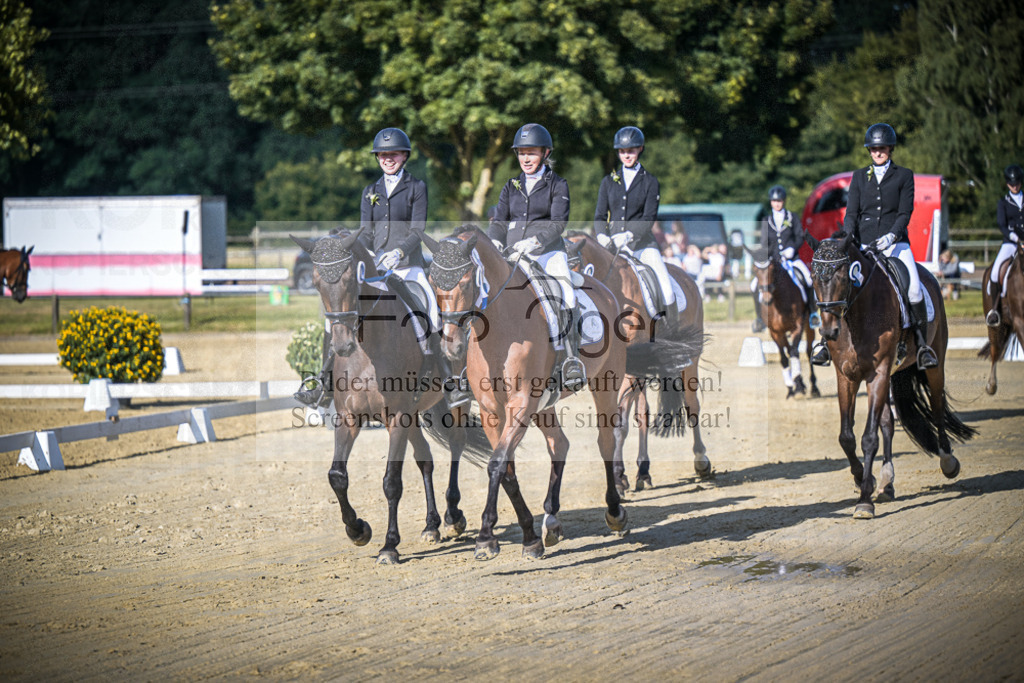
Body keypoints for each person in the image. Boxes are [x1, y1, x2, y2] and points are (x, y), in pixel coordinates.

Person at [295, 127, 471, 408]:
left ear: (404, 156)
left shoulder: (416, 187)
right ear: (377, 158)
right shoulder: (370, 191)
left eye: (394, 154)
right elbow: (366, 232)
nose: (388, 159)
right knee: (338, 315)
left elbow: (417, 229)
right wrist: (367, 253)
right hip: (377, 268)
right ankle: (323, 383)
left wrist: (399, 252)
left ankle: (450, 383)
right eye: (382, 155)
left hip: (408, 267)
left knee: (432, 313)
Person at [811, 123, 937, 369]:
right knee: (838, 285)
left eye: (882, 148)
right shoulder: (859, 176)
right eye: (874, 148)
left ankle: (922, 346)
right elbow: (851, 213)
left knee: (913, 290)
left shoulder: (904, 176)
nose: (878, 152)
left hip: (895, 244)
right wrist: (848, 238)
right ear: (869, 150)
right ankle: (826, 342)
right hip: (864, 244)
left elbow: (905, 212)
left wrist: (891, 236)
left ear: (890, 149)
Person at [488, 123, 584, 391]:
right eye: (522, 153)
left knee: (566, 293)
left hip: (547, 253)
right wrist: (494, 241)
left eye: (531, 153)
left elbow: (558, 223)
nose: (526, 158)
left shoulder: (558, 184)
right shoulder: (511, 185)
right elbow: (499, 221)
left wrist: (535, 241)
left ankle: (571, 359)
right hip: (513, 255)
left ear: (545, 153)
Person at [593, 126, 679, 329]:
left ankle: (672, 334)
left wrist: (630, 235)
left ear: (640, 149)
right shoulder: (608, 181)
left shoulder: (650, 181)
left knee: (667, 290)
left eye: (630, 151)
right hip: (613, 247)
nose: (626, 155)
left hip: (642, 246)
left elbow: (649, 218)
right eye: (622, 151)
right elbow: (599, 216)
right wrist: (602, 236)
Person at [752, 184, 821, 332]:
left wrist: (792, 249)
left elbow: (800, 236)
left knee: (808, 279)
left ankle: (812, 313)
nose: (777, 204)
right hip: (773, 263)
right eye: (774, 201)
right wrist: (770, 256)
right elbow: (764, 243)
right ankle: (759, 319)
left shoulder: (792, 217)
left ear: (783, 201)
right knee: (753, 285)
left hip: (792, 260)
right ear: (771, 202)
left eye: (779, 201)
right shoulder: (766, 220)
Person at [985, 163, 1024, 326]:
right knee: (995, 272)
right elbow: (1001, 224)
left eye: (1017, 183)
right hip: (1010, 243)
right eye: (1011, 184)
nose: (1014, 186)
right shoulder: (1003, 202)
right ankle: (995, 309)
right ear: (1008, 184)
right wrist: (1013, 236)